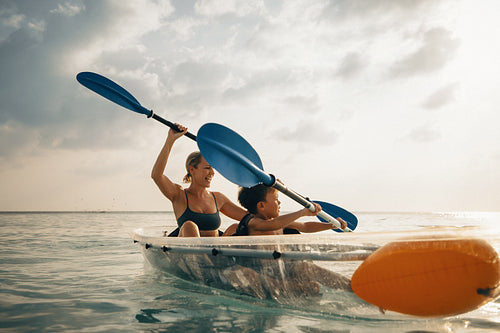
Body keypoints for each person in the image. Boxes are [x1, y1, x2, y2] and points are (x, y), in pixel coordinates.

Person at [151, 124, 247, 237]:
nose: (212, 173)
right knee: (189, 226)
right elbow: (157, 175)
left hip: (215, 251)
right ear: (192, 169)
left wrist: (267, 192)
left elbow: (249, 217)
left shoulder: (218, 198)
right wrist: (170, 140)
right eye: (207, 168)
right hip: (189, 252)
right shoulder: (179, 195)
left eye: (212, 168)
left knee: (236, 227)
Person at [233, 184, 347, 236]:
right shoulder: (254, 223)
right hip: (260, 269)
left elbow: (305, 227)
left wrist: (331, 225)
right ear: (261, 205)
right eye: (276, 199)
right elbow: (274, 224)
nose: (279, 202)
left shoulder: (280, 222)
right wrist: (302, 212)